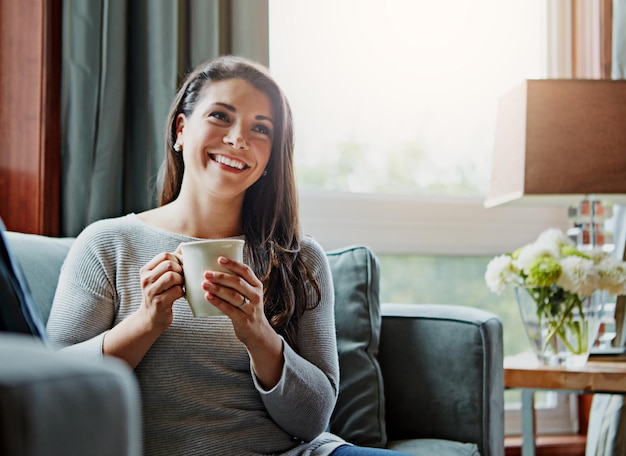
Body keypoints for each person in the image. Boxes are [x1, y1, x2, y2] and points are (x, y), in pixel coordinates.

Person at [47, 56, 410, 456]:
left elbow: (311, 422)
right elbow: (52, 388)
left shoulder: (300, 258)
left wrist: (258, 332)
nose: (239, 138)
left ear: (271, 156)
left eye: (261, 128)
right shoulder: (107, 243)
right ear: (181, 130)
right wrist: (146, 323)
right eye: (221, 116)